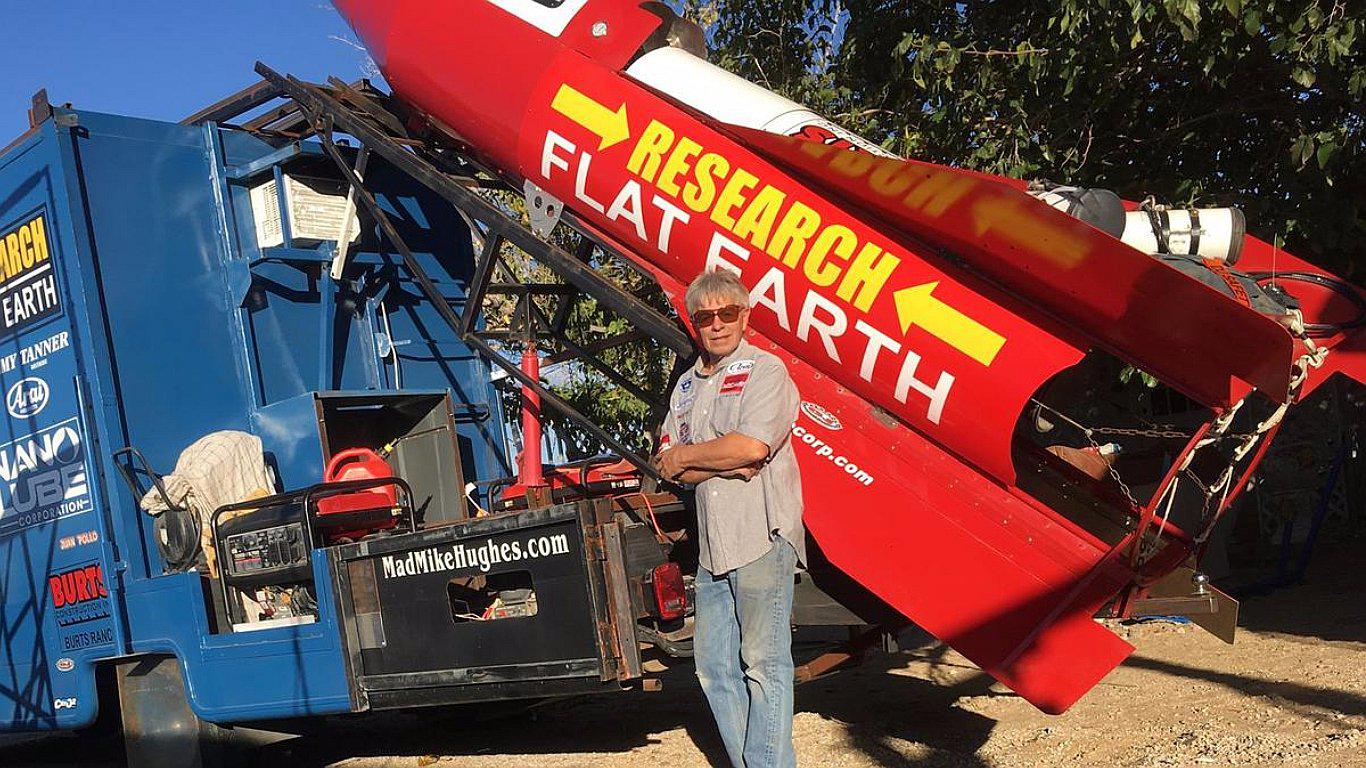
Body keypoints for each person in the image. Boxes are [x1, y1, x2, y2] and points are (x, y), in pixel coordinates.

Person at [653, 268, 805, 768]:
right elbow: (668, 460)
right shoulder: (685, 389)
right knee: (714, 668)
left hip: (761, 535)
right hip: (713, 547)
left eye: (727, 313)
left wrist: (704, 457)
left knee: (764, 664)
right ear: (694, 323)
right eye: (705, 316)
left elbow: (752, 447)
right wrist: (718, 461)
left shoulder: (767, 371)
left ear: (746, 316)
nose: (716, 324)